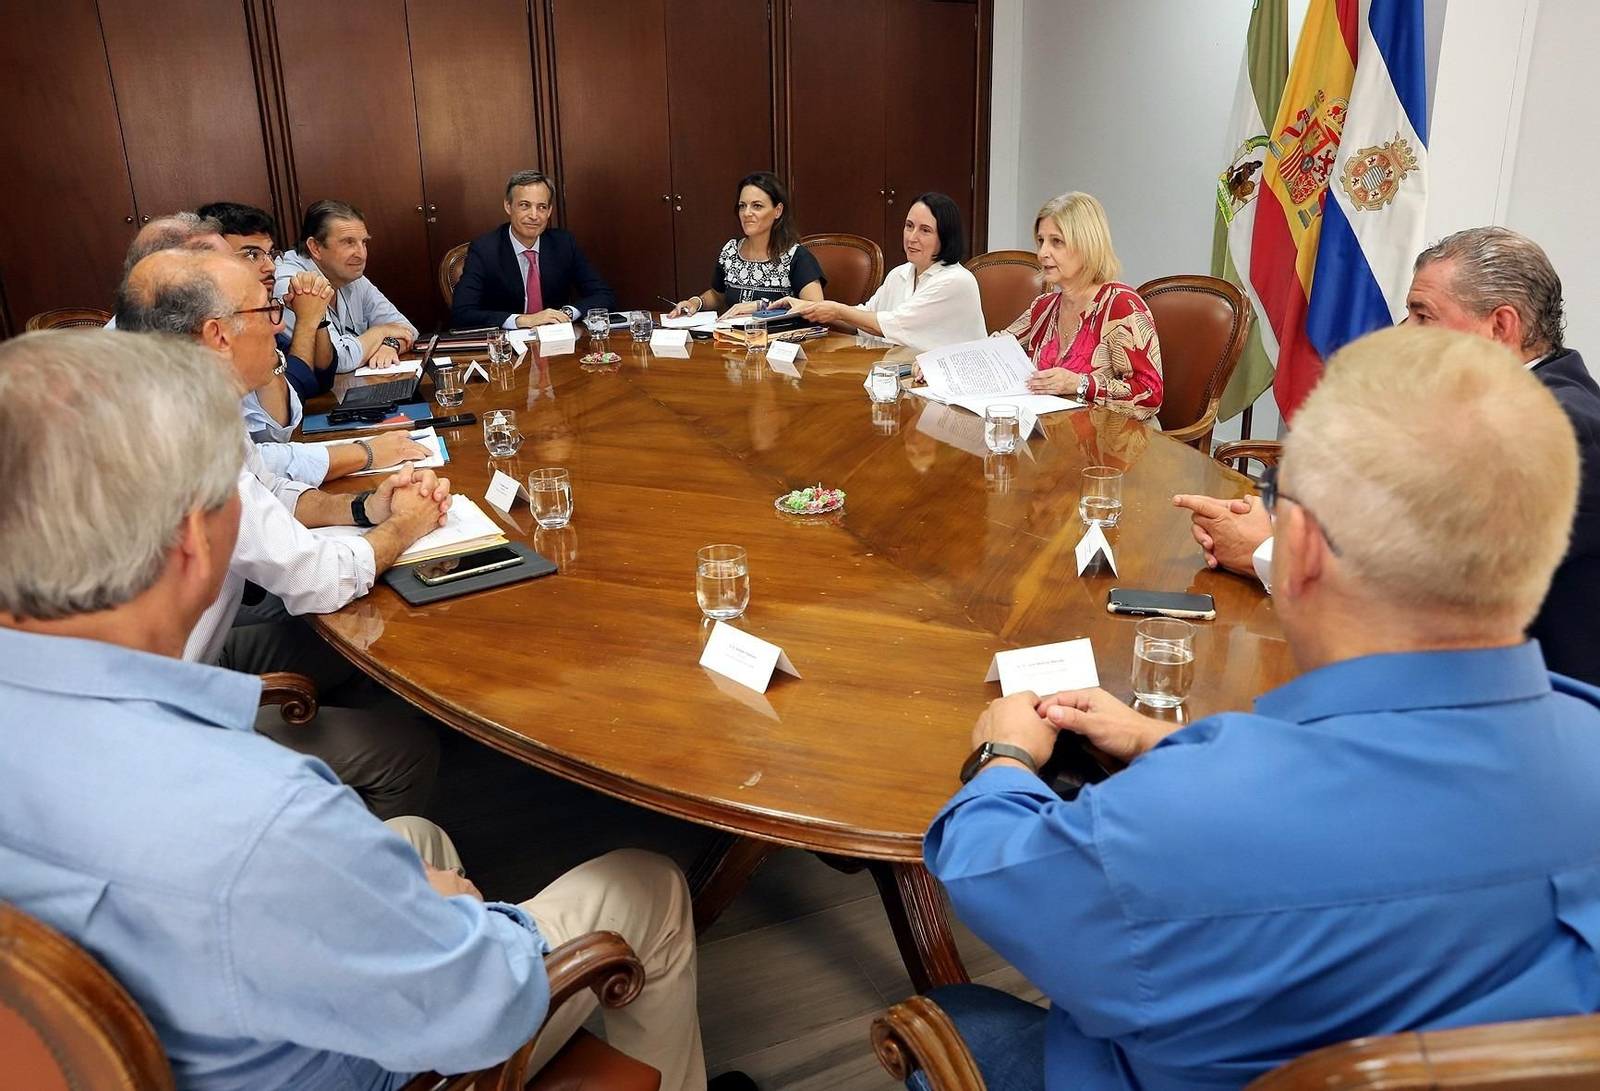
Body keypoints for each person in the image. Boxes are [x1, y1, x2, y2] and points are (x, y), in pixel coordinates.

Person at [0, 328, 752, 1091]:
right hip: (367, 1059)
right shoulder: (265, 819)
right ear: (193, 540)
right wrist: (472, 919)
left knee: (417, 835)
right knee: (648, 884)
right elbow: (490, 1002)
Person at [915, 325, 1600, 1091]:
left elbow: (992, 873)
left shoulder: (1185, 817)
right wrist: (1167, 741)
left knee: (953, 1012)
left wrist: (1002, 756)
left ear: (1298, 547)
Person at [1178, 227, 1600, 686]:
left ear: (1500, 327)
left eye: (1423, 316)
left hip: (1513, 707)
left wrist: (1266, 552)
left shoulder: (1558, 429)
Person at [116, 248, 447, 819]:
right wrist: (405, 527)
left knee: (354, 650)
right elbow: (319, 579)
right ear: (218, 334)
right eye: (268, 307)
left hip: (192, 656)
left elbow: (270, 494)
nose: (282, 321)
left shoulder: (188, 402)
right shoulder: (183, 442)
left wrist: (369, 507)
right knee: (406, 750)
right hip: (164, 715)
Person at [198, 200, 428, 486]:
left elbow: (319, 375)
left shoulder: (343, 277)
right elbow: (271, 433)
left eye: (269, 254)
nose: (269, 266)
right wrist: (376, 333)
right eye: (252, 255)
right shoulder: (285, 283)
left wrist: (389, 340)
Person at [1001, 191, 1162, 419]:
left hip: (1111, 443)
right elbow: (997, 350)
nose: (1042, 253)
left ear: (1087, 245)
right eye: (1040, 241)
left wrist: (1080, 384)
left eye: (1056, 242)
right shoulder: (1044, 307)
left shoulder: (1121, 306)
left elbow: (1149, 395)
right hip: (1052, 436)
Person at [772, 192, 984, 353]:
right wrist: (808, 308)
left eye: (925, 230)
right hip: (900, 373)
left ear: (946, 237)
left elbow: (890, 324)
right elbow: (864, 318)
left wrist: (836, 310)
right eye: (909, 226)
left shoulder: (956, 281)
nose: (911, 237)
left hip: (952, 389)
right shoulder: (901, 273)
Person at [449, 169, 615, 330]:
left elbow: (604, 295)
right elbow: (462, 314)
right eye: (525, 205)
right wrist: (523, 320)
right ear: (508, 206)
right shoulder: (485, 250)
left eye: (542, 207)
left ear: (549, 211)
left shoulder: (563, 243)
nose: (534, 215)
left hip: (557, 344)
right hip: (509, 348)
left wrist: (566, 313)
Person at [275, 199, 417, 373]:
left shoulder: (351, 275)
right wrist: (380, 332)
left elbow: (407, 329)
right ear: (315, 247)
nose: (361, 254)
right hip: (311, 397)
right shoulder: (292, 283)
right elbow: (338, 360)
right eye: (348, 242)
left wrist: (390, 344)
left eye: (363, 242)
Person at [669, 171, 825, 319]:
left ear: (778, 211)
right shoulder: (730, 250)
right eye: (742, 206)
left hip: (779, 342)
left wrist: (761, 306)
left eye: (757, 206)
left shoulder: (797, 257)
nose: (746, 213)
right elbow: (718, 295)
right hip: (733, 340)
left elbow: (816, 308)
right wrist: (695, 302)